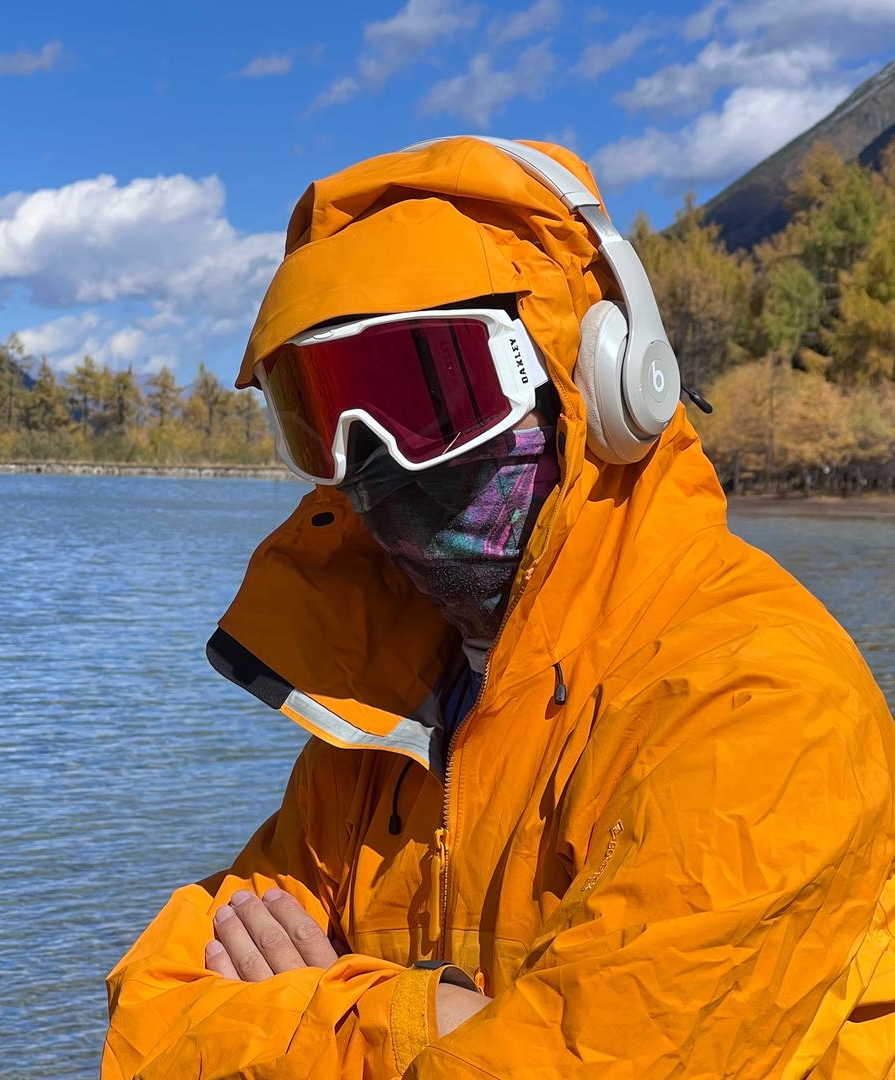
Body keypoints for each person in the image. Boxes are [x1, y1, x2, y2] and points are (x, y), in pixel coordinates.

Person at [102, 137, 895, 1079]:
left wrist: (314, 1010)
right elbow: (149, 1011)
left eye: (429, 395)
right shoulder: (381, 718)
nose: (376, 457)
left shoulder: (760, 703)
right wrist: (432, 1019)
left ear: (597, 378)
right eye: (323, 414)